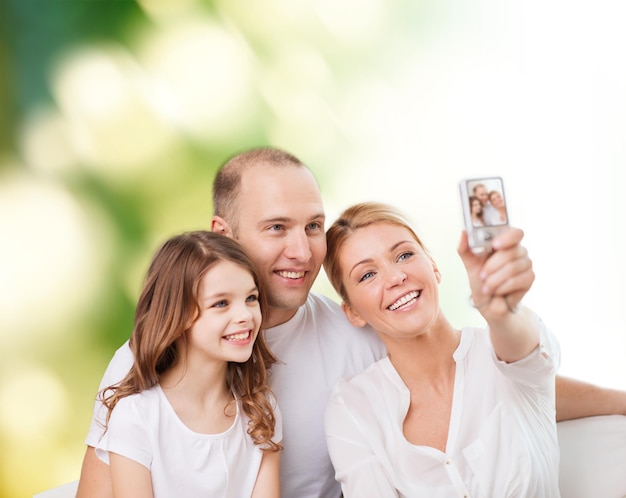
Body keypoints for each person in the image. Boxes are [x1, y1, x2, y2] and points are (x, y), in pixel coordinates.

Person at [77, 146, 626, 498]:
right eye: (276, 228)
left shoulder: (358, 337)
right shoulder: (149, 358)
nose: (301, 250)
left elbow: (496, 382)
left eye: (313, 225)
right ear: (223, 232)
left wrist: (614, 398)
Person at [323, 201, 560, 497]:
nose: (396, 278)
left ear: (433, 266)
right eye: (367, 275)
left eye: (404, 255)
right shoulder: (354, 406)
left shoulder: (501, 353)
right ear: (353, 313)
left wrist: (501, 311)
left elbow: (525, 350)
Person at [94, 231, 282, 497]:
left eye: (251, 298)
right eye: (221, 303)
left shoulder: (260, 410)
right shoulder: (137, 416)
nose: (245, 315)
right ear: (177, 315)